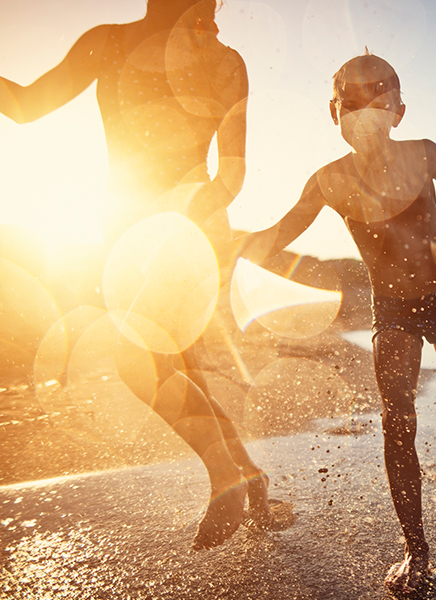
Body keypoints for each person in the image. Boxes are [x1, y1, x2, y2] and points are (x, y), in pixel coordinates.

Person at [240, 52, 436, 592]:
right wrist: (219, 247)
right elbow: (276, 236)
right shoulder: (328, 181)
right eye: (350, 102)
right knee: (396, 419)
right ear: (332, 113)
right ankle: (415, 549)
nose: (365, 111)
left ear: (399, 110)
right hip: (393, 311)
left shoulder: (422, 155)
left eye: (378, 98)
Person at [0, 0, 274, 549]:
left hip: (185, 227)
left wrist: (180, 222)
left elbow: (232, 174)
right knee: (176, 365)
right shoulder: (114, 42)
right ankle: (249, 478)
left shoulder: (216, 58)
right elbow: (27, 105)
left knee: (137, 361)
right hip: (123, 232)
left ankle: (226, 480)